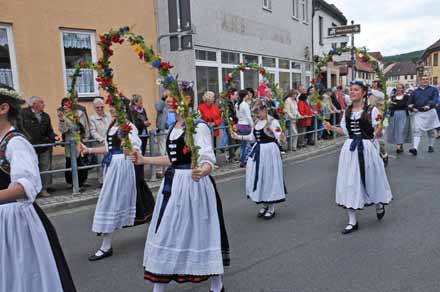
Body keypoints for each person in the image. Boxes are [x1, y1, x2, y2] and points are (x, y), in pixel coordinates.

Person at [136, 88, 229, 292]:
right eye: (166, 96)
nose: (167, 100)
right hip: (173, 187)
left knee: (203, 234)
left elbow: (207, 157)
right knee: (166, 233)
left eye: (171, 96)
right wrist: (144, 160)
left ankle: (217, 284)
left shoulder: (198, 126)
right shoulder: (174, 127)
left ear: (186, 99)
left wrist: (202, 171)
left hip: (194, 187)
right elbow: (172, 159)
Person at [0, 84, 76, 291]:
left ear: (3, 108)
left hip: (15, 220)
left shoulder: (15, 142)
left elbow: (25, 187)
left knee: (24, 277)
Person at [79, 103, 150, 261]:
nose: (111, 111)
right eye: (110, 109)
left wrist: (128, 145)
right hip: (112, 167)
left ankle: (154, 234)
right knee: (117, 202)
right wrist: (88, 149)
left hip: (123, 167)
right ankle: (106, 246)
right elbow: (108, 148)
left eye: (114, 108)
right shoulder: (112, 126)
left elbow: (134, 149)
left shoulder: (128, 126)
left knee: (116, 202)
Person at [323, 80, 393, 234]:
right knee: (350, 182)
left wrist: (380, 128)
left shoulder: (371, 110)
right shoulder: (347, 111)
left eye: (356, 90)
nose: (352, 92)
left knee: (371, 178)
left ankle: (379, 202)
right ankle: (352, 221)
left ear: (363, 93)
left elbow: (378, 131)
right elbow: (345, 131)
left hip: (367, 148)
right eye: (351, 90)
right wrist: (331, 127)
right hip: (350, 149)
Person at [232, 101, 287, 220]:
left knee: (269, 177)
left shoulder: (273, 122)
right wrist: (238, 136)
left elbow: (280, 138)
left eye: (259, 111)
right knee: (260, 177)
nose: (257, 114)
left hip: (269, 153)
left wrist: (281, 136)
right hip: (258, 152)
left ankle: (271, 206)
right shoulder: (257, 122)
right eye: (255, 112)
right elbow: (252, 138)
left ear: (265, 109)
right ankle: (264, 204)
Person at [19, 95, 57, 197]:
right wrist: (27, 140)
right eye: (41, 102)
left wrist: (53, 138)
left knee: (45, 167)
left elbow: (50, 130)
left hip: (44, 146)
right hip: (30, 147)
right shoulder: (23, 114)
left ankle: (43, 189)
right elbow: (20, 129)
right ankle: (32, 190)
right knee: (31, 169)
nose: (44, 104)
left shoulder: (45, 116)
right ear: (34, 104)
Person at [58, 97, 90, 187]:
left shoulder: (80, 113)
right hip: (70, 141)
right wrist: (62, 120)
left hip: (81, 139)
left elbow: (86, 125)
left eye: (68, 104)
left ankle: (82, 180)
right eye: (64, 105)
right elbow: (62, 130)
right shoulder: (63, 115)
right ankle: (70, 182)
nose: (66, 106)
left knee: (82, 160)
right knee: (70, 161)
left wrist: (86, 138)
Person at [408, 76, 440, 155]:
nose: (425, 80)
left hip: (430, 112)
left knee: (431, 131)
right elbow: (409, 103)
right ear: (420, 81)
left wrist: (429, 105)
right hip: (419, 113)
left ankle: (430, 146)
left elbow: (435, 99)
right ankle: (415, 148)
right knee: (417, 130)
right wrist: (412, 108)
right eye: (423, 79)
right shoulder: (415, 92)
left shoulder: (433, 90)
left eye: (426, 79)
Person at [89, 98, 112, 185]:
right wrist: (102, 139)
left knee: (110, 161)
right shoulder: (92, 118)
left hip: (110, 142)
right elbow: (93, 131)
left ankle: (110, 179)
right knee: (101, 162)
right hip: (100, 143)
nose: (100, 109)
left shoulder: (109, 115)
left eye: (101, 107)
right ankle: (102, 181)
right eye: (97, 107)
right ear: (94, 108)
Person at [386, 83, 412, 153]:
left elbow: (409, 105)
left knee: (401, 130)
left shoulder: (407, 97)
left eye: (400, 88)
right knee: (396, 130)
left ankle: (398, 146)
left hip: (403, 114)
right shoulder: (393, 97)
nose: (399, 89)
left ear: (403, 89)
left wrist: (411, 107)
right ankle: (400, 145)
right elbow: (389, 107)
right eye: (398, 88)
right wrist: (389, 104)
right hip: (394, 115)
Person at [236, 89, 254, 167]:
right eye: (247, 95)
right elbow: (248, 117)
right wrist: (252, 125)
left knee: (242, 145)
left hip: (239, 124)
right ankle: (244, 160)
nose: (248, 96)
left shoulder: (237, 104)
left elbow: (237, 115)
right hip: (246, 125)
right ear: (245, 96)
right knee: (247, 144)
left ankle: (242, 160)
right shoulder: (245, 104)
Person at [155, 88, 170, 177]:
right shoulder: (161, 103)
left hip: (172, 129)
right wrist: (163, 98)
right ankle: (161, 169)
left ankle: (169, 168)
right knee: (162, 150)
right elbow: (158, 107)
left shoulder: (175, 103)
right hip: (163, 129)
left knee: (170, 150)